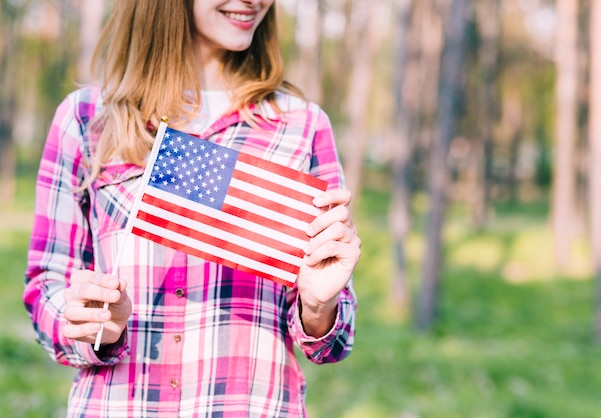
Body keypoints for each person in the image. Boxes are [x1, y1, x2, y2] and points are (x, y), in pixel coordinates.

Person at [23, 1, 360, 416]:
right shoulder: (86, 118)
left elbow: (336, 341)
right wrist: (90, 325)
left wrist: (318, 306)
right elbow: (45, 287)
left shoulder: (302, 125)